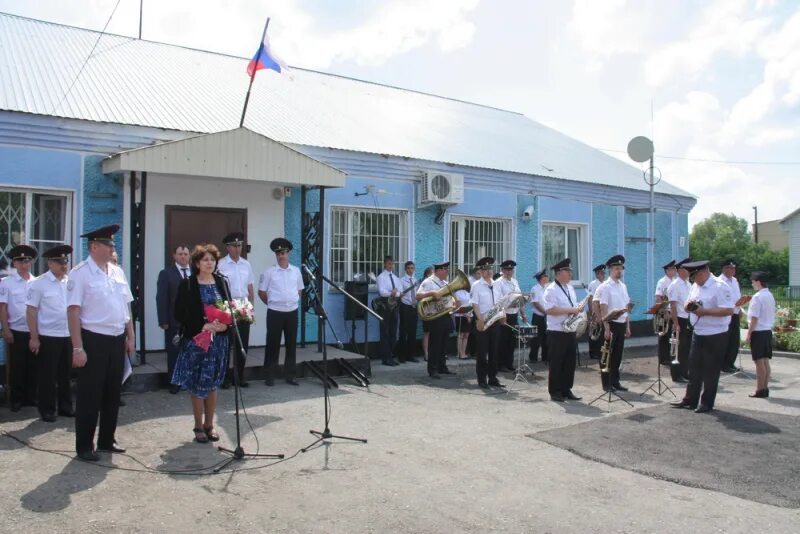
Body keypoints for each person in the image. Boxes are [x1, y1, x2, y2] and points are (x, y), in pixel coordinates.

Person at [67, 224, 135, 461]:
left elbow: (126, 307)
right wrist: (78, 347)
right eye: (108, 244)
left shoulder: (117, 272)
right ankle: (85, 445)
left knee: (112, 393)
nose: (112, 248)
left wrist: (130, 337)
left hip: (117, 338)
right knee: (89, 395)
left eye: (112, 244)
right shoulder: (80, 273)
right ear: (94, 246)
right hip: (93, 339)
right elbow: (73, 311)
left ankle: (107, 439)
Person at [171, 243, 230, 443]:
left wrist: (225, 326)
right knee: (197, 384)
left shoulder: (222, 282)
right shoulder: (187, 284)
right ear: (197, 263)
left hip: (218, 342)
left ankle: (210, 425)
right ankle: (198, 426)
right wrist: (201, 326)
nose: (209, 263)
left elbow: (229, 309)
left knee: (212, 383)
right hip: (197, 342)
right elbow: (179, 313)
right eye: (205, 259)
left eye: (212, 259)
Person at [671, 260, 734, 413]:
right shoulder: (696, 286)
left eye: (694, 277)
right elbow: (689, 301)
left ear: (703, 272)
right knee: (694, 368)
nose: (693, 281)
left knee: (711, 370)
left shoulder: (719, 286)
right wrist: (688, 306)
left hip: (716, 334)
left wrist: (704, 311)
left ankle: (706, 402)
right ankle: (690, 399)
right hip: (698, 332)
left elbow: (728, 310)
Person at [26, 245, 74, 422]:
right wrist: (34, 337)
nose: (63, 265)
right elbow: (31, 311)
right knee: (48, 375)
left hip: (67, 334)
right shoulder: (39, 283)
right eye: (60, 262)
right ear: (50, 263)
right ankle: (47, 409)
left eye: (65, 261)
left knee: (65, 374)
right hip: (48, 335)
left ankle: (65, 406)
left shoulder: (70, 283)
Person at [258, 238, 304, 386]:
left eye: (283, 252)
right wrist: (273, 303)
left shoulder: (296, 271)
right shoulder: (269, 272)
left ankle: (290, 375)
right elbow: (262, 292)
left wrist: (290, 300)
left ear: (288, 253)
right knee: (273, 344)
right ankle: (269, 375)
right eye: (278, 253)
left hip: (291, 311)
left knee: (291, 344)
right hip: (275, 312)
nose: (281, 256)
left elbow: (300, 290)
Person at [0, 244, 39, 412]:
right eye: (20, 261)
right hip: (16, 330)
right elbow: (2, 307)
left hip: (34, 331)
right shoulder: (7, 283)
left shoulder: (37, 282)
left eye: (27, 261)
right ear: (14, 264)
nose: (24, 264)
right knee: (17, 367)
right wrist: (6, 329)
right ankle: (16, 399)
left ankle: (31, 397)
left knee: (33, 366)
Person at [217, 232, 255, 388]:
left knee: (242, 343)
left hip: (243, 305)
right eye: (234, 246)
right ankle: (225, 378)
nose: (237, 249)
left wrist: (251, 307)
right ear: (228, 247)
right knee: (226, 343)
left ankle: (239, 377)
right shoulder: (221, 264)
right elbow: (218, 288)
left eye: (239, 246)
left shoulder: (246, 264)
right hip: (227, 304)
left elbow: (250, 286)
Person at [542, 258, 582, 402]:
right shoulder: (551, 289)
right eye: (568, 271)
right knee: (557, 362)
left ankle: (567, 389)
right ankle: (555, 391)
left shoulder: (570, 288)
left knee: (570, 362)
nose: (570, 274)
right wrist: (572, 309)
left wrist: (577, 311)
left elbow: (573, 306)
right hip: (556, 332)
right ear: (559, 273)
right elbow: (550, 310)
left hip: (569, 330)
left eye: (570, 271)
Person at [156, 244, 191, 394]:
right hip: (174, 321)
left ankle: (188, 380)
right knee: (174, 353)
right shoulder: (166, 273)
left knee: (191, 352)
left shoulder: (195, 273)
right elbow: (161, 298)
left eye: (185, 254)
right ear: (174, 256)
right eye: (180, 254)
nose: (183, 256)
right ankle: (175, 382)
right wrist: (163, 320)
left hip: (193, 322)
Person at [597, 254, 632, 393]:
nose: (619, 271)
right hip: (610, 324)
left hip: (621, 324)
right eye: (617, 268)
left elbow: (626, 307)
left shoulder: (623, 286)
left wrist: (628, 326)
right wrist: (606, 328)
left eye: (621, 268)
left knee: (617, 355)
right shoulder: (605, 287)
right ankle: (606, 384)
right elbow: (603, 307)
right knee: (607, 355)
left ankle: (615, 382)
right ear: (610, 269)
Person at [470, 257, 504, 388]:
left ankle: (493, 378)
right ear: (481, 271)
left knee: (494, 351)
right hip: (483, 321)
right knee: (482, 352)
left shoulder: (497, 284)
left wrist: (503, 315)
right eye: (485, 270)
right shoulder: (476, 285)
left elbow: (500, 302)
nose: (488, 272)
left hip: (495, 321)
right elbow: (475, 304)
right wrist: (479, 319)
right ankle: (482, 379)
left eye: (490, 269)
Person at [416, 261, 453, 378]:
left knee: (444, 343)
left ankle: (442, 366)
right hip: (434, 316)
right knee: (435, 344)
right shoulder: (428, 282)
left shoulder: (445, 283)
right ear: (438, 271)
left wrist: (455, 302)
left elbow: (449, 299)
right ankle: (433, 369)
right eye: (445, 270)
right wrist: (431, 293)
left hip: (445, 314)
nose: (447, 272)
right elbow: (417, 295)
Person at [746, 271, 775, 398]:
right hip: (767, 331)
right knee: (765, 361)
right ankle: (765, 388)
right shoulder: (769, 295)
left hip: (758, 331)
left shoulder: (757, 297)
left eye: (753, 282)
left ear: (758, 282)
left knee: (759, 362)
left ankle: (759, 389)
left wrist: (749, 333)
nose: (752, 284)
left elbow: (754, 318)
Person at [666, 257, 692, 383]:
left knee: (686, 348)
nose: (688, 271)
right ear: (680, 270)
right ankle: (676, 375)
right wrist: (675, 323)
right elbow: (673, 306)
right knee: (677, 348)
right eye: (686, 269)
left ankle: (684, 372)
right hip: (679, 319)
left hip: (688, 318)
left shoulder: (688, 284)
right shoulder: (675, 285)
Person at [496, 260, 525, 372]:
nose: (509, 272)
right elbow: (498, 301)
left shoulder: (514, 281)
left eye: (511, 269)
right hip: (504, 314)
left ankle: (509, 363)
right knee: (503, 340)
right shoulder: (499, 282)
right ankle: (501, 364)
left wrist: (523, 313)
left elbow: (519, 298)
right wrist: (502, 315)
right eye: (507, 270)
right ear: (502, 270)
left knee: (512, 341)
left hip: (514, 314)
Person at [376, 255, 401, 366]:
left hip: (395, 305)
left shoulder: (396, 278)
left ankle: (391, 355)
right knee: (385, 331)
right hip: (385, 306)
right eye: (389, 263)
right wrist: (392, 292)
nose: (391, 266)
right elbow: (382, 292)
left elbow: (400, 291)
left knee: (393, 331)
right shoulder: (381, 277)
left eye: (392, 263)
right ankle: (385, 357)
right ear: (385, 264)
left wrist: (396, 293)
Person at [718, 259, 742, 373]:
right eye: (730, 268)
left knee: (734, 340)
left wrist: (740, 308)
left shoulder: (735, 281)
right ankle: (723, 364)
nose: (733, 270)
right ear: (724, 269)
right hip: (726, 313)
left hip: (735, 312)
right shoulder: (719, 281)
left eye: (734, 268)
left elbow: (737, 296)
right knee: (725, 339)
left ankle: (730, 362)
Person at [655, 260, 677, 366]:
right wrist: (664, 311)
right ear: (667, 270)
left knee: (671, 335)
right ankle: (663, 358)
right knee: (664, 335)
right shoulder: (662, 282)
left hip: (672, 311)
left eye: (674, 269)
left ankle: (670, 355)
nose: (674, 271)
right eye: (672, 269)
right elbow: (658, 297)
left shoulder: (674, 281)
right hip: (664, 311)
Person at [397, 261, 419, 363]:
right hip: (405, 307)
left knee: (412, 332)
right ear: (405, 269)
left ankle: (411, 355)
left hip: (414, 307)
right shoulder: (401, 280)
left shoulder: (415, 280)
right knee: (403, 332)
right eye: (409, 268)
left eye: (412, 268)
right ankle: (401, 356)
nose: (411, 270)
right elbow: (400, 294)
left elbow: (417, 293)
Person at [528, 269, 549, 363]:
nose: (547, 277)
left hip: (546, 316)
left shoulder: (547, 288)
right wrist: (545, 312)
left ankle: (545, 357)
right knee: (536, 338)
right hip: (538, 316)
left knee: (546, 337)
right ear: (541, 278)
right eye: (545, 276)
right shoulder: (534, 289)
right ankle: (533, 357)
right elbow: (536, 303)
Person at [586, 264, 606, 360]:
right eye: (602, 273)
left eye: (604, 273)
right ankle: (593, 352)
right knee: (594, 331)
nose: (603, 275)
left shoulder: (605, 284)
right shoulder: (593, 284)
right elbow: (590, 299)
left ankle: (599, 351)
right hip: (595, 311)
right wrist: (591, 313)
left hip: (603, 311)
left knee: (601, 332)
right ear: (597, 274)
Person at [452, 286, 472, 360]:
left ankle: (464, 353)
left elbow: (471, 304)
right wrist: (466, 315)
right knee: (461, 334)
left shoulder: (468, 293)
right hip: (460, 315)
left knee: (466, 335)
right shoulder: (457, 293)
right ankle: (460, 353)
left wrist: (469, 315)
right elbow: (458, 305)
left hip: (469, 315)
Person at [420, 265, 434, 361]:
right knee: (427, 333)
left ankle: (433, 352)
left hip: (435, 310)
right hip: (427, 310)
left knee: (433, 332)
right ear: (428, 274)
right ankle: (426, 354)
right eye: (432, 274)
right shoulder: (424, 284)